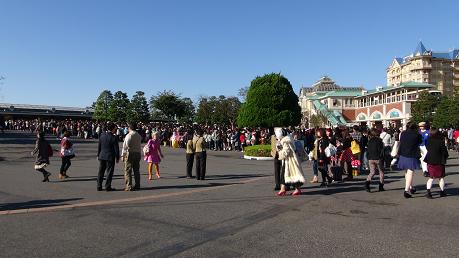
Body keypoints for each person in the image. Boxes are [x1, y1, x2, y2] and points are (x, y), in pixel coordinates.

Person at [276, 128, 305, 196]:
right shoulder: (287, 138)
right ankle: (287, 189)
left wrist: (279, 151)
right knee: (290, 174)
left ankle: (285, 189)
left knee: (289, 174)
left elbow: (286, 151)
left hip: (290, 160)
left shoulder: (285, 140)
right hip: (290, 160)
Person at [398, 122, 422, 198]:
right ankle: (406, 190)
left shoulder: (403, 133)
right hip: (412, 154)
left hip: (403, 154)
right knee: (410, 172)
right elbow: (420, 142)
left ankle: (411, 187)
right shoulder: (417, 134)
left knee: (407, 172)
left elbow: (401, 141)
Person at [424, 128, 449, 198]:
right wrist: (446, 157)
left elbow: (427, 149)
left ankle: (428, 192)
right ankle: (442, 191)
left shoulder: (428, 141)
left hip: (430, 160)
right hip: (439, 161)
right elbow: (444, 151)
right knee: (441, 177)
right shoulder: (440, 141)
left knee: (431, 177)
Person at [97, 123, 120, 191]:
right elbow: (116, 149)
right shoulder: (114, 137)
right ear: (113, 129)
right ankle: (107, 186)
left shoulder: (102, 135)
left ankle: (99, 186)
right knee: (109, 172)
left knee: (101, 171)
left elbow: (99, 146)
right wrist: (117, 157)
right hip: (110, 156)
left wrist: (98, 154)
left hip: (102, 155)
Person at [122, 124, 142, 191]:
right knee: (136, 170)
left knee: (128, 170)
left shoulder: (129, 135)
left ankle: (129, 186)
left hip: (130, 153)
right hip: (138, 153)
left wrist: (123, 155)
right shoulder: (139, 135)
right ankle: (137, 184)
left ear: (129, 128)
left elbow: (125, 146)